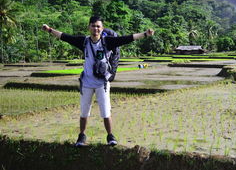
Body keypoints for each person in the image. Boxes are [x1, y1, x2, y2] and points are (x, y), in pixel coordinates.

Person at [42, 16, 154, 147]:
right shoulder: (83, 41)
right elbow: (65, 37)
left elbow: (127, 38)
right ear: (89, 27)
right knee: (84, 112)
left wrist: (145, 34)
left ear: (102, 28)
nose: (95, 28)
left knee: (106, 112)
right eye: (93, 26)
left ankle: (110, 136)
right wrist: (50, 30)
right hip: (87, 83)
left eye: (98, 26)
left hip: (102, 83)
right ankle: (82, 136)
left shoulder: (108, 42)